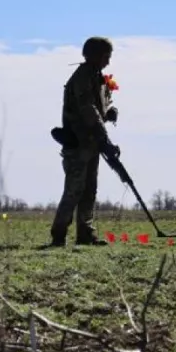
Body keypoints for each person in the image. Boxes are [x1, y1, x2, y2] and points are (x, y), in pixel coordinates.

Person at [49, 36, 120, 247]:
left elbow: (100, 108)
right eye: (106, 57)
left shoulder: (97, 78)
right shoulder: (81, 77)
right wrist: (105, 138)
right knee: (74, 190)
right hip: (78, 144)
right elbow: (88, 110)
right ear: (95, 56)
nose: (108, 61)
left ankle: (85, 234)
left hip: (91, 143)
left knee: (90, 190)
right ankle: (59, 235)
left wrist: (110, 111)